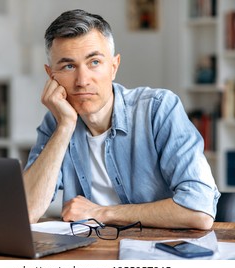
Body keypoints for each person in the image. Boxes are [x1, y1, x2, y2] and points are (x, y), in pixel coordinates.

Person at [23, 9, 220, 230]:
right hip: (90, 254)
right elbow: (26, 212)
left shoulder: (158, 109)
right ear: (51, 75)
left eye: (94, 62)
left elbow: (200, 209)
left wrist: (102, 213)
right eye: (68, 66)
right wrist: (65, 127)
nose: (82, 80)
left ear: (114, 67)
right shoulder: (56, 123)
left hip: (160, 252)